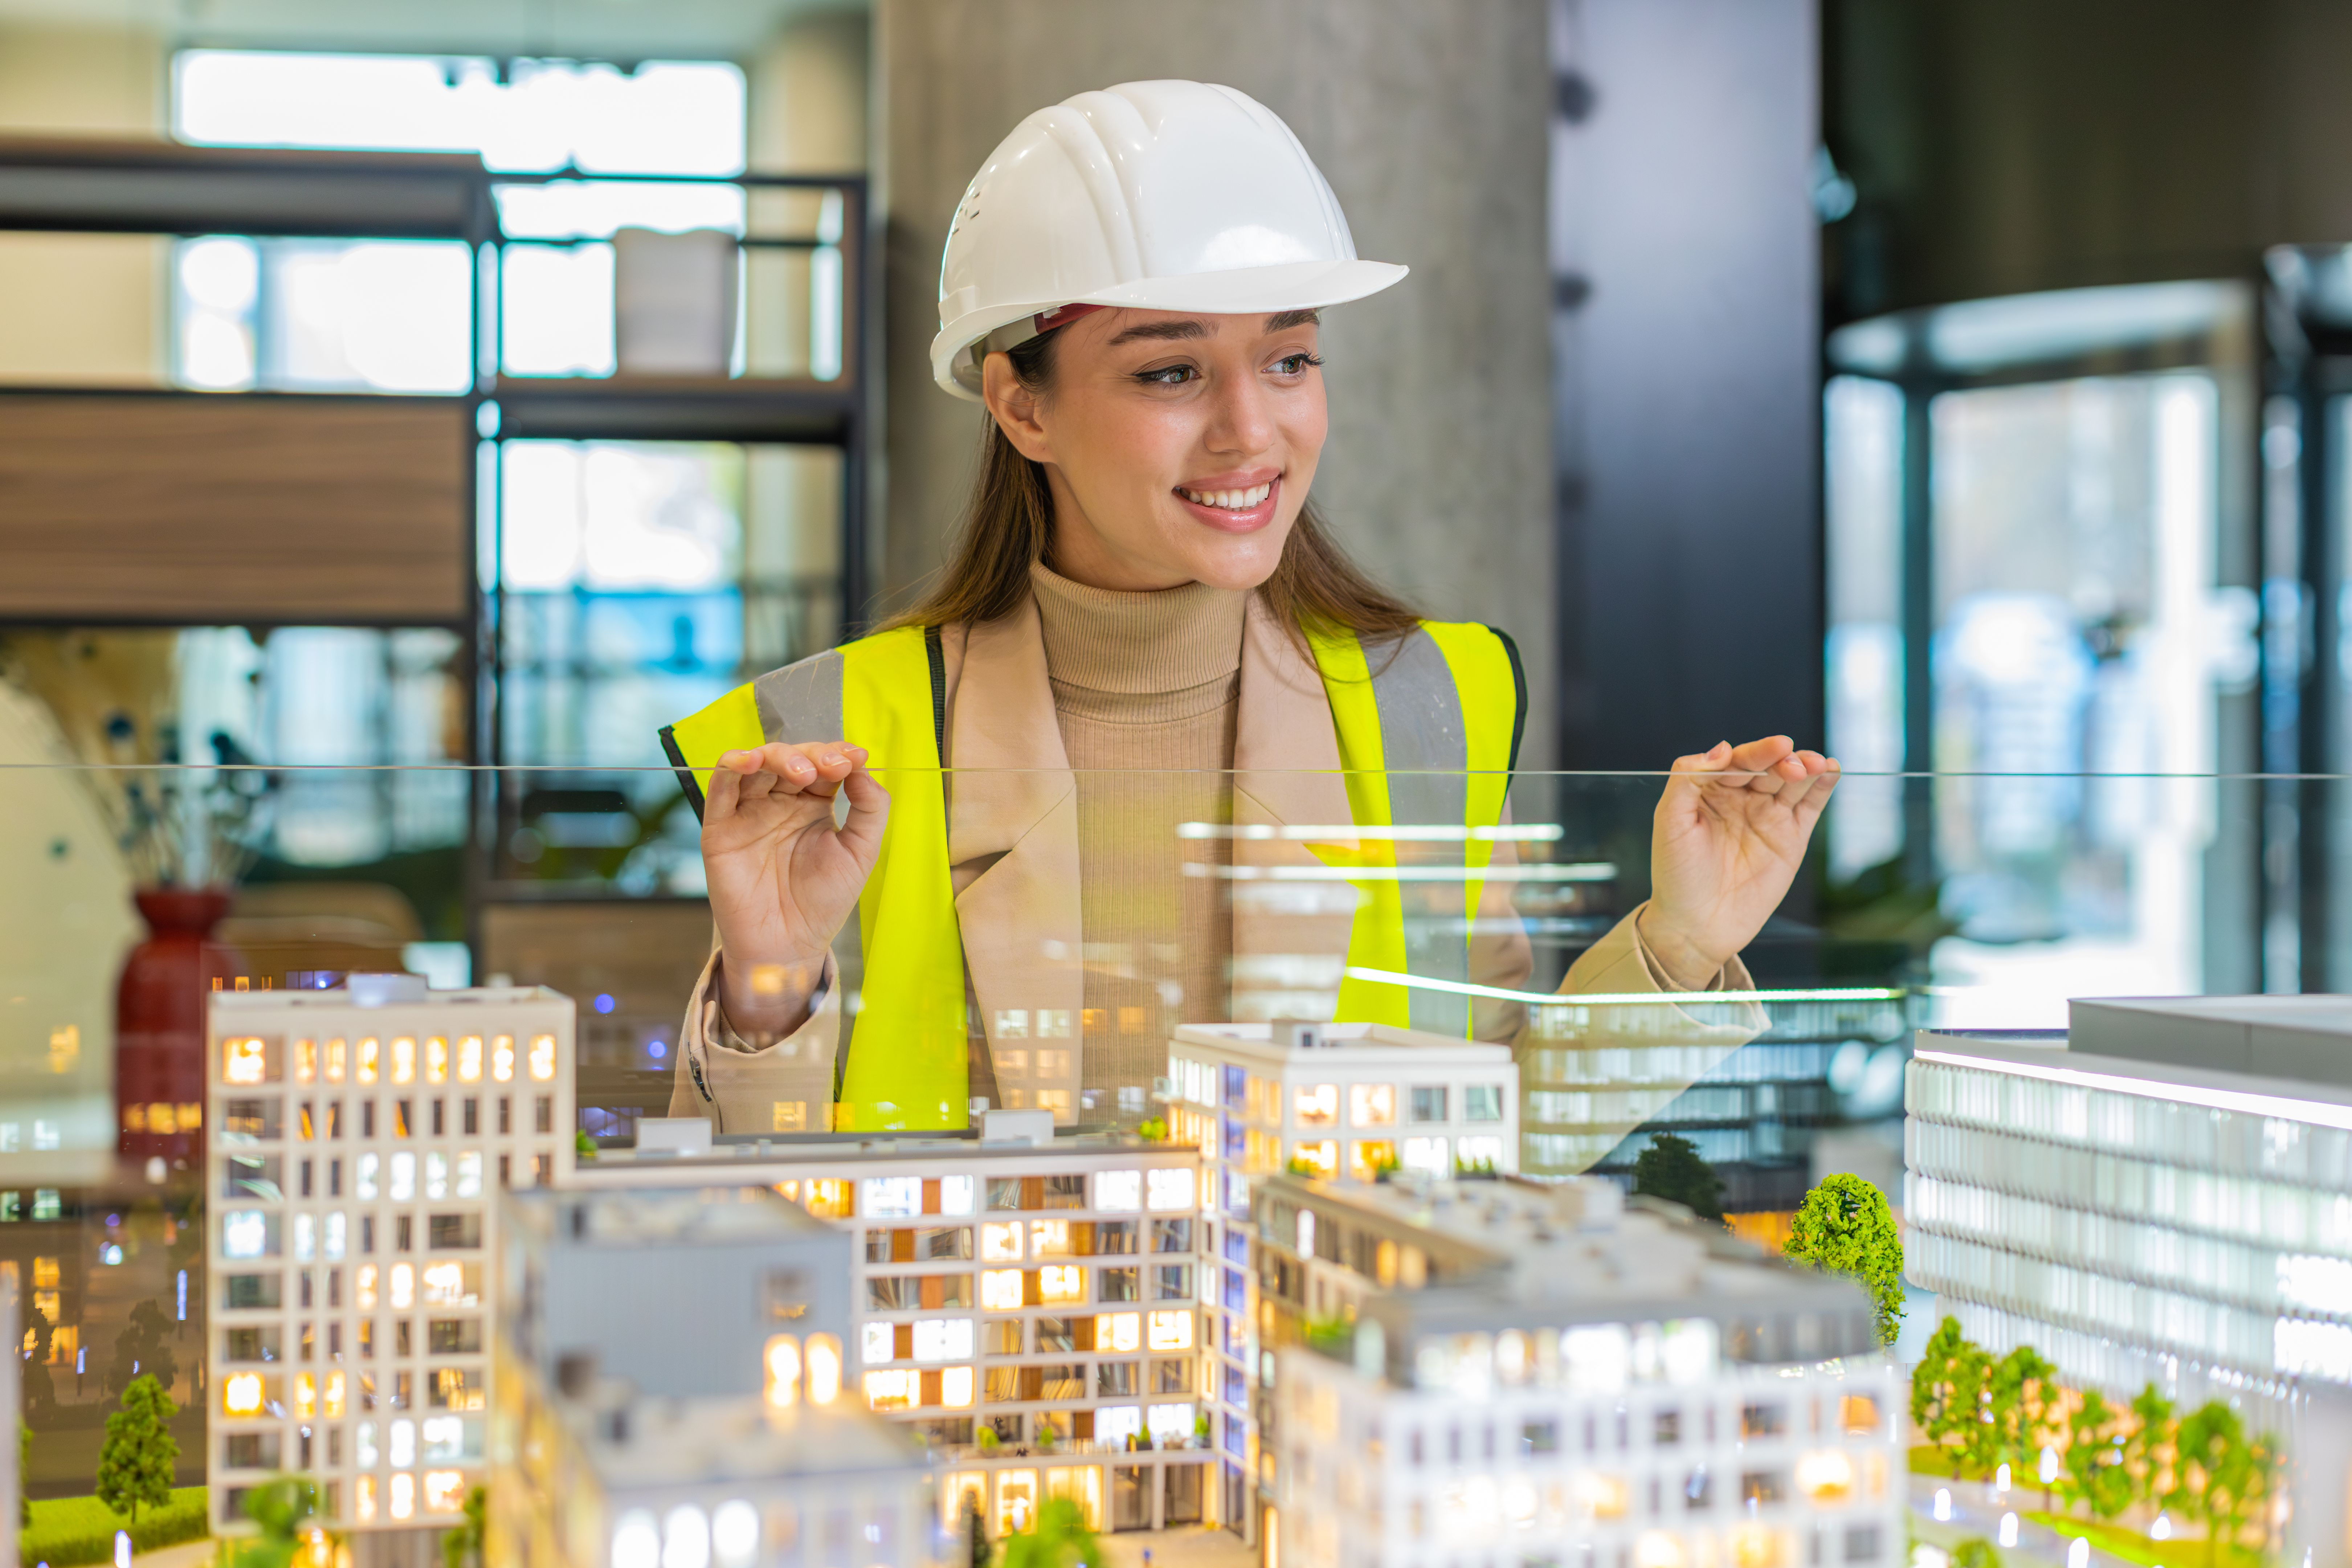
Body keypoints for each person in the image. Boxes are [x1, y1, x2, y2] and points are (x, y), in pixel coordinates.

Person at [663, 80, 1836, 1133]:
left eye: (1290, 360)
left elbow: (1498, 1144)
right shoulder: (829, 734)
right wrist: (768, 994)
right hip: (980, 1365)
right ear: (1022, 408)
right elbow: (743, 1235)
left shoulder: (1425, 700)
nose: (1252, 430)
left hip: (1319, 1361)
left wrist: (1679, 946)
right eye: (1170, 370)